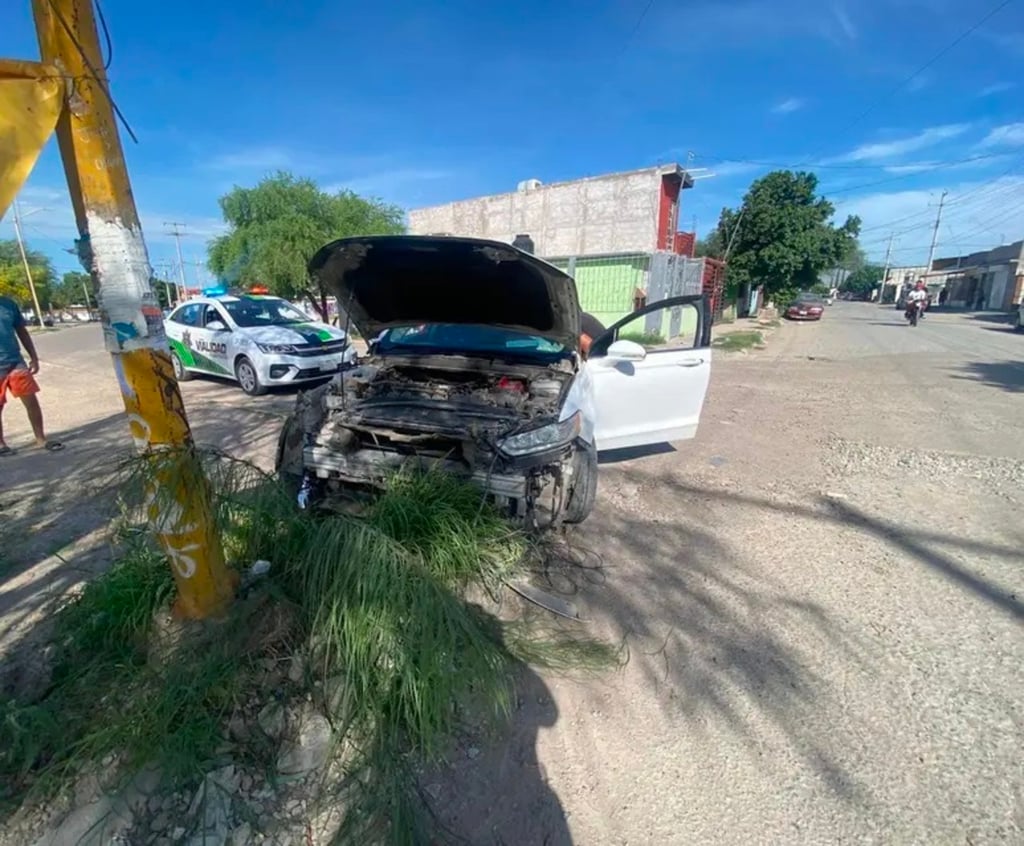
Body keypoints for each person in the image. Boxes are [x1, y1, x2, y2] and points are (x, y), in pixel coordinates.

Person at [0, 296, 63, 455]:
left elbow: (22, 331)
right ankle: (1, 445)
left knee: (31, 400)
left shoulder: (8, 304)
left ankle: (40, 439)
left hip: (15, 361)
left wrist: (33, 357)